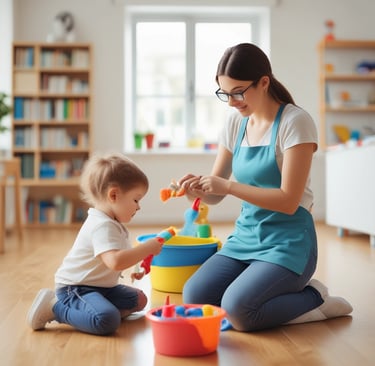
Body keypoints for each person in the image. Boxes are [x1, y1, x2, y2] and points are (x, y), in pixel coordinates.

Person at [179, 43, 353, 332]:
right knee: (195, 296)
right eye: (225, 93)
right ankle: (263, 286)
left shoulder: (295, 122)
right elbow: (216, 194)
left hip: (289, 243)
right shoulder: (236, 123)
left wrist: (230, 186)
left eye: (238, 92)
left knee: (239, 311)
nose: (232, 102)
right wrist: (194, 191)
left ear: (263, 82)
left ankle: (315, 298)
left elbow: (288, 200)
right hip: (246, 237)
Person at [27, 153, 164, 335]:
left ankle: (94, 311)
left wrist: (136, 268)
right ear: (114, 195)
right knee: (107, 321)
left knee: (139, 300)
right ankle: (55, 308)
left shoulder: (113, 223)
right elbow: (115, 261)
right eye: (136, 200)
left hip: (102, 287)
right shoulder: (102, 226)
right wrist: (148, 247)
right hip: (75, 288)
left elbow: (122, 256)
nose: (138, 207)